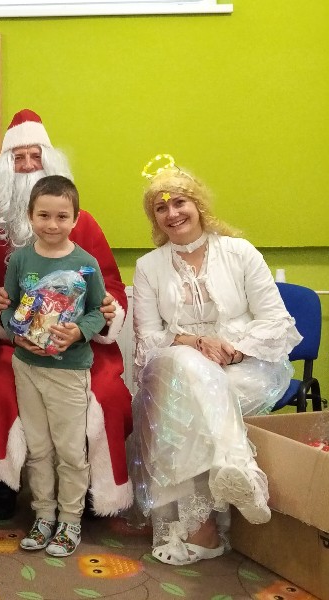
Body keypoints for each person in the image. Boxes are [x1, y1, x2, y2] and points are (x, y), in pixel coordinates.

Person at [129, 161, 302, 566]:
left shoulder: (239, 252)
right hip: (179, 363)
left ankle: (201, 530)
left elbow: (277, 320)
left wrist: (234, 349)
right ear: (154, 218)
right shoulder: (148, 267)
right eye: (160, 207)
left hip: (248, 365)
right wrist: (194, 342)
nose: (172, 213)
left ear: (198, 204)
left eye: (180, 202)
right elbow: (148, 339)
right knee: (183, 369)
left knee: (180, 406)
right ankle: (236, 465)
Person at [0, 109, 133, 520]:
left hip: (80, 344)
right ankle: (2, 484)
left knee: (110, 394)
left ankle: (97, 490)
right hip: (13, 346)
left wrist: (104, 312)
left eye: (35, 156)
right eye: (18, 158)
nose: (28, 166)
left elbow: (110, 287)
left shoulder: (85, 226)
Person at [1, 175, 106, 556]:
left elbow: (97, 312)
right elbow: (10, 308)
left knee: (70, 451)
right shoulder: (20, 260)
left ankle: (70, 520)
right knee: (38, 448)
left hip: (69, 369)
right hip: (27, 366)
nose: (52, 224)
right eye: (43, 215)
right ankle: (44, 515)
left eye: (62, 216)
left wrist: (78, 332)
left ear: (75, 219)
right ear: (30, 216)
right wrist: (16, 335)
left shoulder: (86, 264)